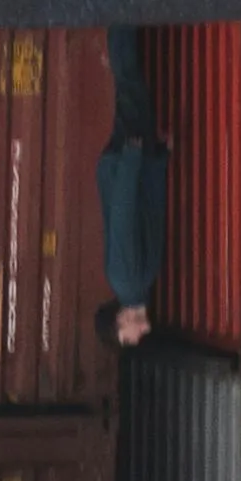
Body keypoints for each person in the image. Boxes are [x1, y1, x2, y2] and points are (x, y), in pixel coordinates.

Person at [96, 23, 167, 351]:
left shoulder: (127, 280)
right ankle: (122, 24)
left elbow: (124, 214)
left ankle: (120, 16)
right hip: (135, 165)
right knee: (133, 88)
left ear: (121, 322)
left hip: (127, 163)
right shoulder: (139, 283)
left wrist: (133, 157)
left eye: (129, 339)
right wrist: (159, 159)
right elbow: (150, 213)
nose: (137, 337)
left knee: (130, 85)